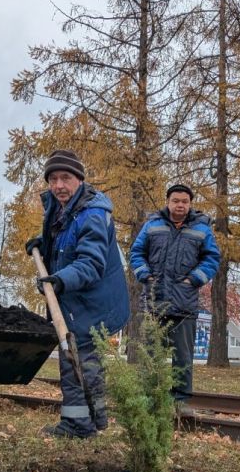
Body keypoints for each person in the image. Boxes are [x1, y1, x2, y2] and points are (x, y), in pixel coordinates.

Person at [25, 149, 129, 439]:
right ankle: (94, 421)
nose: (58, 185)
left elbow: (90, 263)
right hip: (77, 296)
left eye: (65, 178)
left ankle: (78, 426)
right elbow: (63, 247)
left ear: (79, 180)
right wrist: (42, 244)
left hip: (93, 299)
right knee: (81, 359)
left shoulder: (93, 214)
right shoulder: (60, 207)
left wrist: (59, 280)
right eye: (53, 179)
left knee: (76, 358)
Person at [129, 183, 220, 405]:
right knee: (149, 352)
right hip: (153, 301)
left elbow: (211, 259)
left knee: (183, 356)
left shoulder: (202, 228)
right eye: (176, 201)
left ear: (190, 204)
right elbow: (137, 252)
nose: (180, 205)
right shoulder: (152, 225)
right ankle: (149, 398)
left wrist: (194, 280)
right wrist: (145, 276)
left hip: (185, 301)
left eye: (185, 201)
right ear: (168, 202)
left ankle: (180, 401)